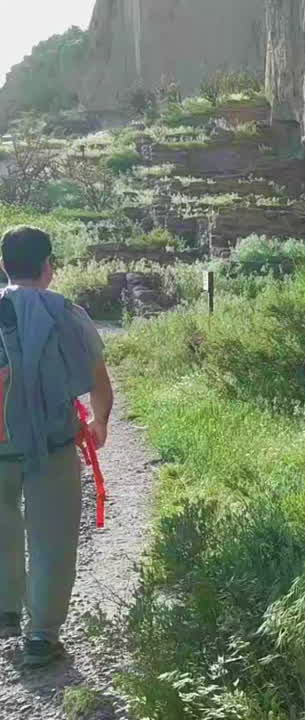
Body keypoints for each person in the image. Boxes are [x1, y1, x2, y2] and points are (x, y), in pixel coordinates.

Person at [0, 226, 113, 669]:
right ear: (48, 265)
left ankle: (5, 611)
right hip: (52, 444)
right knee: (52, 540)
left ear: (4, 265)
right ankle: (41, 639)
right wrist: (100, 423)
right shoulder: (66, 312)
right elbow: (99, 383)